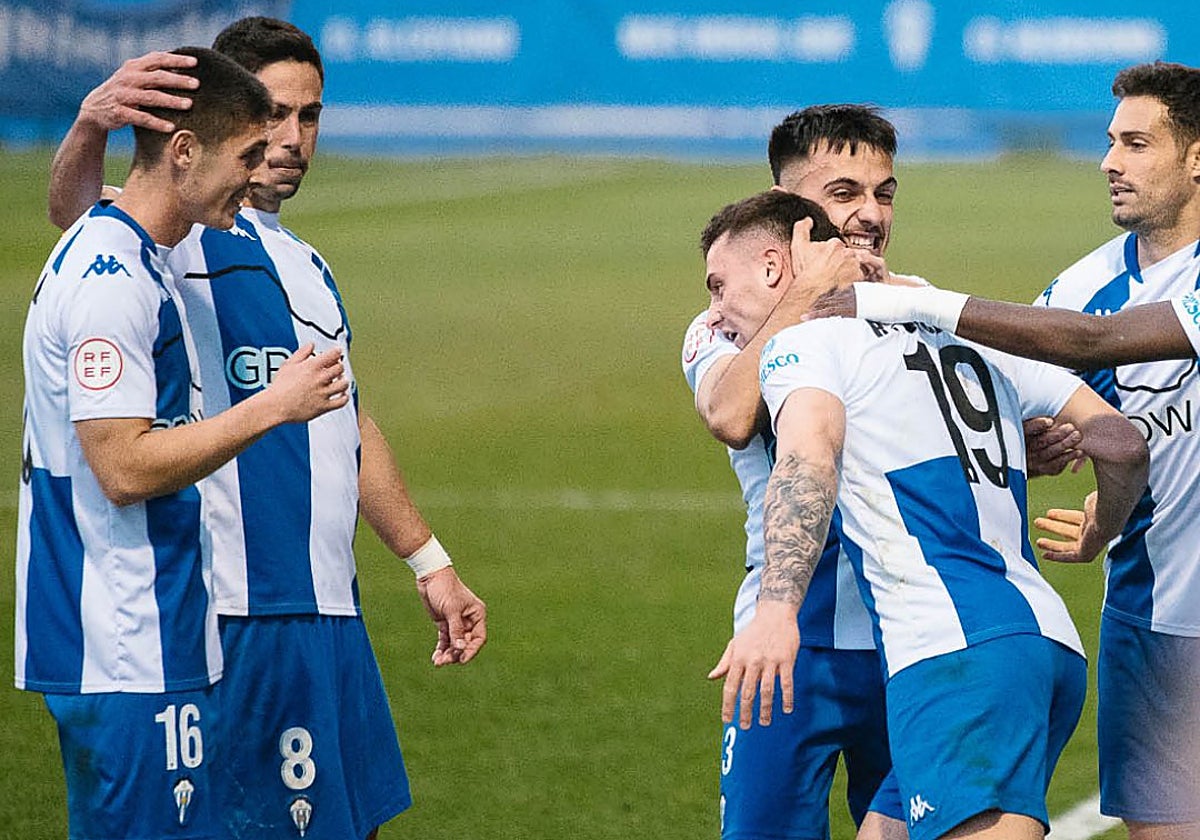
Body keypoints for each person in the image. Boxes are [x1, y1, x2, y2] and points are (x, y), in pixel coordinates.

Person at [47, 18, 488, 840]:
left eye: (309, 117)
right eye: (271, 118)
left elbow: (346, 419)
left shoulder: (307, 263)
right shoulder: (181, 237)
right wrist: (89, 127)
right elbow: (79, 219)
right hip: (235, 609)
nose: (289, 141)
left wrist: (429, 561)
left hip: (326, 608)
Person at [807, 61, 1200, 839]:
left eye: (1137, 143)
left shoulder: (1095, 314)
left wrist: (902, 297)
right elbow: (1014, 405)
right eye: (1109, 141)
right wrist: (1032, 443)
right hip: (1153, 621)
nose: (1109, 162)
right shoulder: (1081, 285)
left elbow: (1101, 343)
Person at [704, 190, 1149, 840]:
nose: (714, 312)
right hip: (1045, 645)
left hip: (953, 657)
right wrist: (1101, 530)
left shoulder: (805, 344)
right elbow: (1122, 443)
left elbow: (807, 459)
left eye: (719, 286)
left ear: (775, 267)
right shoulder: (965, 328)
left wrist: (775, 610)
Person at [17, 46, 351, 840]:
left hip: (153, 635)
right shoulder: (113, 281)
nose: (259, 172)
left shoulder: (142, 256)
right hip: (122, 644)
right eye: (245, 155)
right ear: (185, 151)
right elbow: (124, 466)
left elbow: (75, 205)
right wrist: (270, 408)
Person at [681, 105, 908, 840]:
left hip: (910, 637)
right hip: (788, 644)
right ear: (791, 205)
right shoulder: (723, 321)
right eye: (844, 195)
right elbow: (730, 412)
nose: (870, 214)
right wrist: (807, 296)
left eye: (884, 192)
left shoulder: (913, 304)